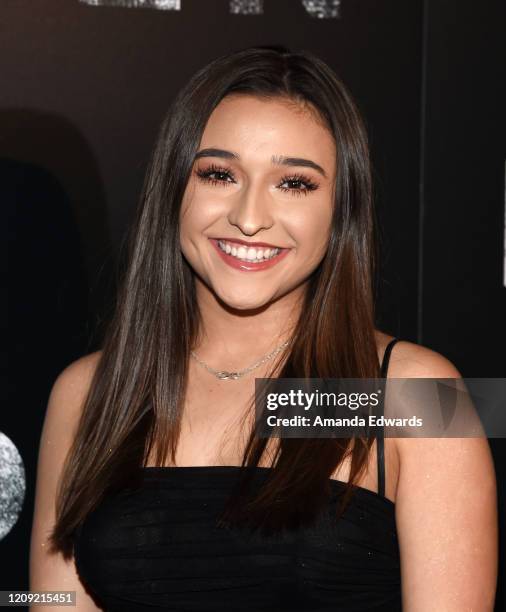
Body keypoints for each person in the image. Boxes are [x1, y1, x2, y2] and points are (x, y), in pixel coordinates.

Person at [29, 46, 498, 611]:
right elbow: (53, 601)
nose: (250, 217)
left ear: (341, 211)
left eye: (295, 183)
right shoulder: (87, 392)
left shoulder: (414, 396)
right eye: (219, 174)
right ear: (174, 191)